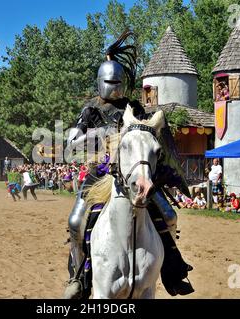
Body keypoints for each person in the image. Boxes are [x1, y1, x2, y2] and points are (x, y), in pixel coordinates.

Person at [64, 30, 193, 299]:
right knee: (76, 221)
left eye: (119, 82)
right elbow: (71, 143)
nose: (115, 87)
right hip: (99, 173)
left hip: (133, 170)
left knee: (168, 216)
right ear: (101, 82)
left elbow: (148, 132)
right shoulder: (91, 109)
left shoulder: (134, 107)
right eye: (111, 82)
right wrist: (98, 135)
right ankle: (77, 276)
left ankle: (172, 269)